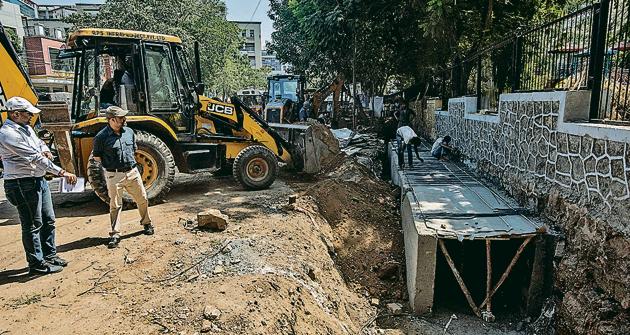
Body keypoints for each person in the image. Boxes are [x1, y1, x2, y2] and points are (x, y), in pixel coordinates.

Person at [0, 97, 77, 275]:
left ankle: (50, 255)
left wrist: (47, 149)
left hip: (37, 180)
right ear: (16, 113)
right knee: (33, 224)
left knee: (48, 219)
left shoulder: (26, 128)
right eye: (28, 114)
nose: (30, 117)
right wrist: (62, 172)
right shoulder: (8, 134)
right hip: (22, 183)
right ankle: (36, 263)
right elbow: (35, 157)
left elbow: (39, 144)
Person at [92, 106, 154, 249]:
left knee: (142, 198)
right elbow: (97, 156)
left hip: (132, 173)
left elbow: (133, 149)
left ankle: (147, 223)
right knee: (115, 205)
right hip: (114, 175)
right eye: (120, 118)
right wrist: (111, 168)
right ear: (111, 119)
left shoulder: (129, 132)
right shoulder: (101, 137)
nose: (124, 119)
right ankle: (115, 233)